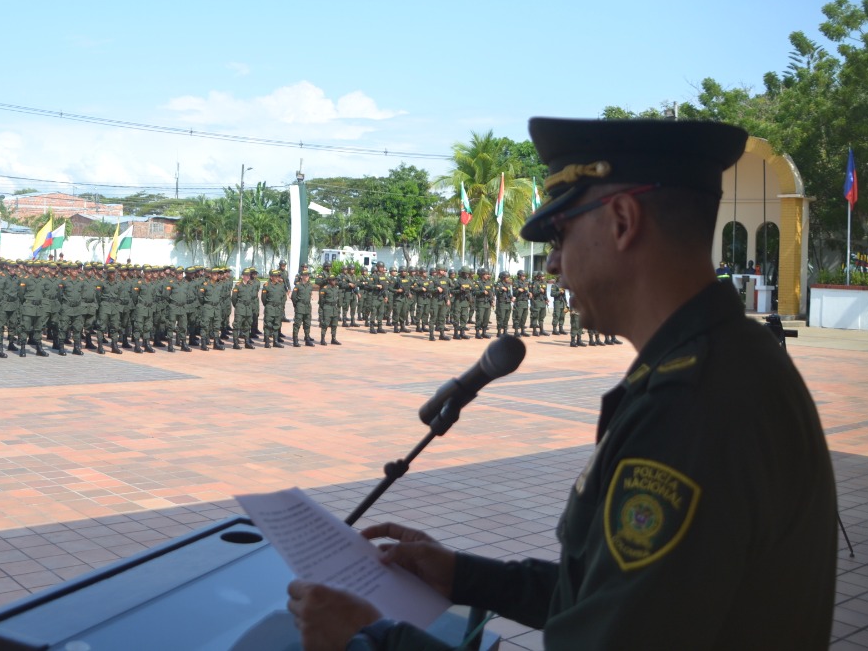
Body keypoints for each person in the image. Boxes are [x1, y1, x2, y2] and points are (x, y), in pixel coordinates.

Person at [286, 117, 836, 650]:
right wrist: (463, 576)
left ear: (622, 221)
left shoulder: (690, 410)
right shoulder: (726, 361)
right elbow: (613, 600)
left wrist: (371, 638)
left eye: (559, 233)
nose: (551, 264)